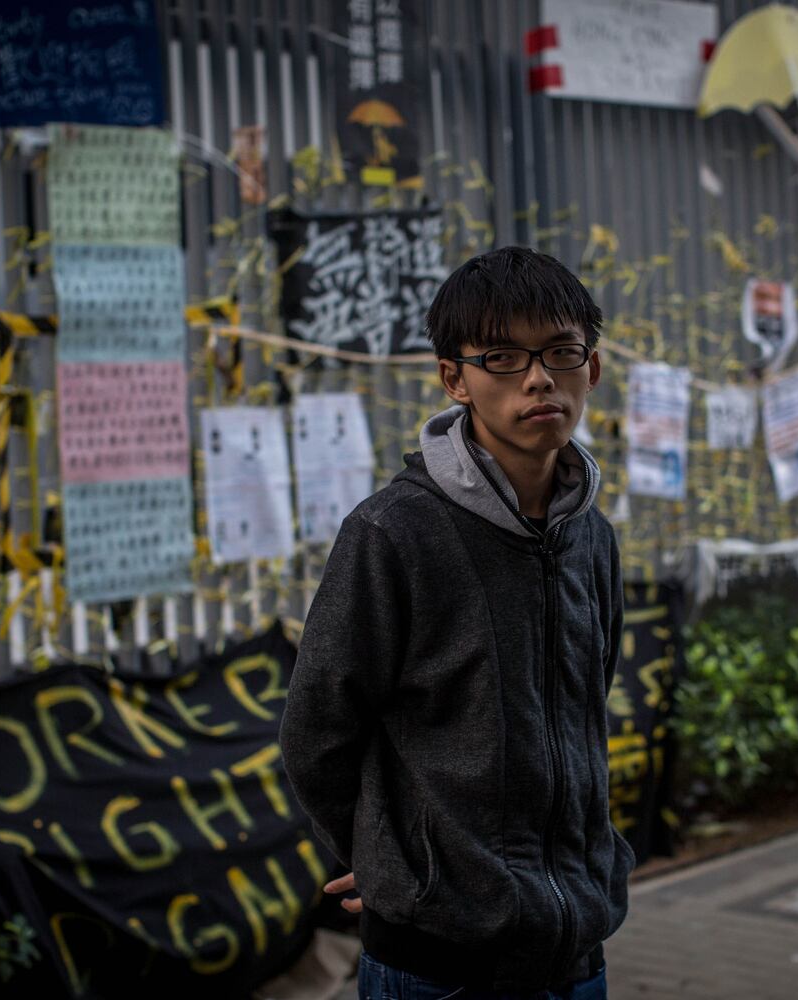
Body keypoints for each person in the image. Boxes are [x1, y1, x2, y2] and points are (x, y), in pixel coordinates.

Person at [281, 246, 631, 1000]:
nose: (539, 378)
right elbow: (317, 730)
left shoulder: (591, 537)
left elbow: (586, 706)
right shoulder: (393, 533)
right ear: (455, 378)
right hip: (435, 965)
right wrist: (393, 863)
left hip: (578, 951)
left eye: (562, 352)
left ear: (591, 368)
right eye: (502, 356)